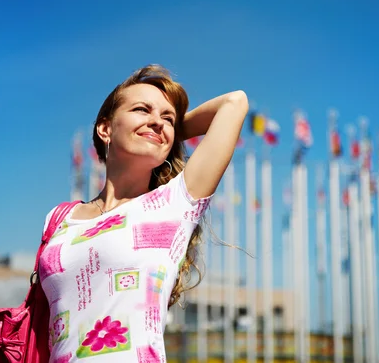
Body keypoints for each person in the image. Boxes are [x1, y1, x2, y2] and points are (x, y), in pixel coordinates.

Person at [38, 64, 248, 362]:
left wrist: (165, 132)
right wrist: (159, 127)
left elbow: (234, 102)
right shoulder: (59, 218)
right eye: (141, 109)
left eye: (167, 117)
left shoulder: (175, 203)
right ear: (105, 128)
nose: (157, 121)